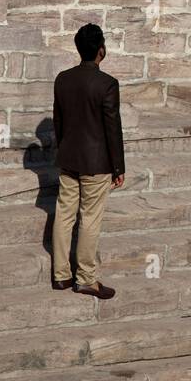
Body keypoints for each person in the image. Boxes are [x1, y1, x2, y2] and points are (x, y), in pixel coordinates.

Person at [51, 23, 125, 299]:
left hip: (69, 158)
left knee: (64, 213)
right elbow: (112, 129)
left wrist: (63, 149)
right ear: (101, 51)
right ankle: (85, 279)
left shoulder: (62, 78)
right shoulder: (107, 84)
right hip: (96, 164)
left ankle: (61, 275)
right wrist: (119, 167)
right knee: (90, 219)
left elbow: (58, 120)